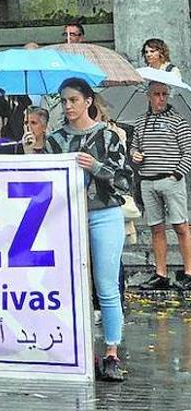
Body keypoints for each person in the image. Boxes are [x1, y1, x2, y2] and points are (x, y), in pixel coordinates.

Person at [44, 77, 131, 382]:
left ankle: (111, 353)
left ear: (88, 101)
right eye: (63, 101)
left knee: (106, 287)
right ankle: (79, 350)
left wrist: (96, 167)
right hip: (67, 218)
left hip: (104, 213)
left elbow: (125, 181)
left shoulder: (108, 136)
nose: (68, 106)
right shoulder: (54, 140)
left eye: (73, 100)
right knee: (70, 287)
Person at [129, 81, 191, 292]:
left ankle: (189, 272)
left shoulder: (178, 121)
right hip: (148, 179)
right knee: (156, 228)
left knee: (181, 226)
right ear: (149, 96)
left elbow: (188, 151)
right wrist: (134, 155)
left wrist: (176, 174)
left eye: (165, 94)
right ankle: (161, 272)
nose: (161, 98)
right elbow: (134, 147)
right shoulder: (140, 122)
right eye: (157, 94)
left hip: (170, 179)